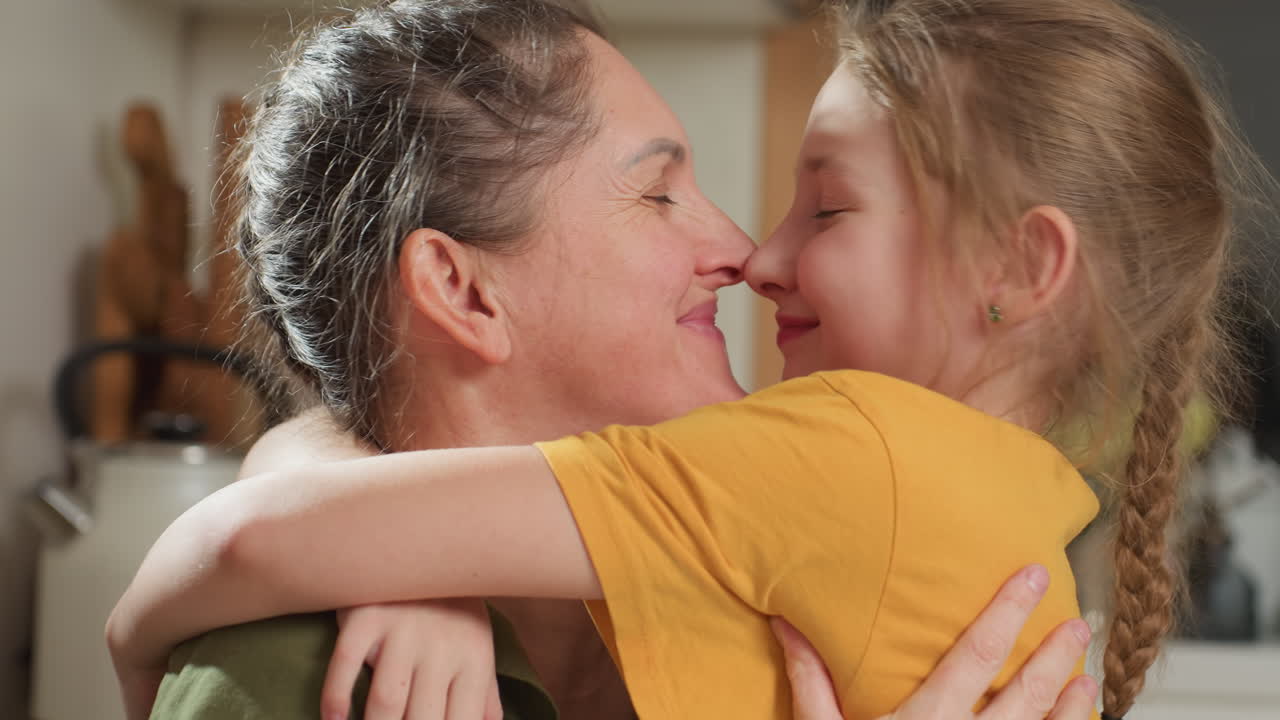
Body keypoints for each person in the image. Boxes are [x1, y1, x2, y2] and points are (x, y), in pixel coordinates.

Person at [109, 0, 1256, 716]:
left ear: (1018, 269)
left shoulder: (815, 490)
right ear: (461, 289)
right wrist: (415, 556)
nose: (744, 251)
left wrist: (158, 627)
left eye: (829, 209)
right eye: (660, 193)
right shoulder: (294, 675)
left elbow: (263, 533)